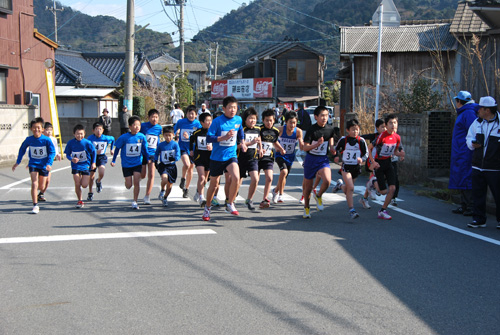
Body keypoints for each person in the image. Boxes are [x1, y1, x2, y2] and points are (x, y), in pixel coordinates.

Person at [202, 96, 246, 221]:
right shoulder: (217, 121)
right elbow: (209, 138)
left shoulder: (238, 119)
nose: (233, 110)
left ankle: (230, 203)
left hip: (231, 155)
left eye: (235, 107)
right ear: (224, 108)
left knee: (236, 177)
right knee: (214, 185)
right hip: (217, 157)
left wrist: (242, 142)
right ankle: (208, 207)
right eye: (230, 107)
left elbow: (240, 130)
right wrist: (223, 138)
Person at [465, 96, 500, 229]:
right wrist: (472, 144)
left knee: (498, 194)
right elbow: (468, 138)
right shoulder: (477, 122)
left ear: (488, 110)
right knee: (478, 193)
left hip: (495, 167)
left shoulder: (499, 123)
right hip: (477, 165)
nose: (478, 110)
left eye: (480, 108)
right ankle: (479, 219)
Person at [12, 117, 56, 214]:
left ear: (42, 129)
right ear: (31, 129)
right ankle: (35, 205)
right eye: (34, 128)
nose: (36, 130)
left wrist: (49, 163)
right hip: (33, 164)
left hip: (44, 165)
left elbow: (52, 152)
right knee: (34, 184)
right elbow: (22, 149)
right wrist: (17, 162)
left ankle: (40, 193)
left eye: (38, 128)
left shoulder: (46, 140)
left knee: (41, 186)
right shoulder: (29, 139)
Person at [368, 114, 405, 220]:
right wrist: (373, 162)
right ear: (386, 125)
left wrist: (401, 155)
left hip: (388, 163)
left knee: (392, 188)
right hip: (379, 164)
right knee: (382, 191)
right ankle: (372, 183)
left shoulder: (397, 137)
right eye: (390, 123)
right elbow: (370, 148)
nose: (393, 125)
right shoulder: (382, 137)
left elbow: (395, 152)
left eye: (395, 123)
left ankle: (383, 210)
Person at [302, 106, 336, 219]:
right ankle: (307, 208)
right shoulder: (312, 130)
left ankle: (319, 195)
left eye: (326, 115)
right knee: (308, 188)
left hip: (323, 159)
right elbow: (304, 147)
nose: (324, 118)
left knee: (327, 180)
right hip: (311, 159)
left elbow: (330, 137)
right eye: (322, 115)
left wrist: (332, 147)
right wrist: (316, 145)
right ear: (316, 117)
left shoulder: (330, 129)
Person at [450, 91, 478, 216]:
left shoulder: (468, 113)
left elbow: (474, 132)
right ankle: (464, 205)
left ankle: (470, 205)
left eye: (457, 101)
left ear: (460, 102)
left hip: (465, 150)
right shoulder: (466, 112)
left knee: (466, 176)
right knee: (461, 175)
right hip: (461, 150)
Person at [111, 115, 149, 210]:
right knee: (129, 185)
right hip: (126, 164)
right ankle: (127, 182)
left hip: (137, 163)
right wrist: (114, 160)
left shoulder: (142, 137)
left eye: (139, 125)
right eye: (135, 125)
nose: (137, 127)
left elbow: (144, 149)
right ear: (130, 126)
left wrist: (147, 158)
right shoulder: (124, 137)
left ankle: (135, 201)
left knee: (137, 181)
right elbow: (117, 149)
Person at [333, 119, 368, 219]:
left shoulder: (361, 141)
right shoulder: (344, 140)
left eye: (357, 130)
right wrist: (336, 156)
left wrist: (362, 159)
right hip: (346, 167)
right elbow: (336, 149)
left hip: (356, 168)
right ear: (348, 130)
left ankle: (340, 186)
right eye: (353, 130)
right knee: (351, 188)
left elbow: (366, 153)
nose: (355, 132)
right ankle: (352, 210)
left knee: (348, 189)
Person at [272, 111, 303, 203]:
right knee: (284, 171)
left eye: (294, 122)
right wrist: (279, 148)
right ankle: (281, 195)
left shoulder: (298, 131)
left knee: (284, 175)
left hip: (290, 156)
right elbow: (273, 140)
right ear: (286, 122)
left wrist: (302, 144)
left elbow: (301, 143)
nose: (292, 125)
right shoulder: (280, 129)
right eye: (290, 122)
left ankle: (275, 190)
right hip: (280, 155)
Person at [64, 124, 97, 208]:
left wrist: (93, 163)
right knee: (77, 183)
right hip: (75, 166)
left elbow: (94, 152)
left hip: (85, 165)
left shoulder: (87, 143)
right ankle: (80, 200)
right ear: (74, 134)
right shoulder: (70, 143)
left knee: (84, 185)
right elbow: (67, 154)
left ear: (84, 134)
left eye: (81, 133)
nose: (79, 135)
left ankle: (84, 182)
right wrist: (71, 159)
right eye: (77, 134)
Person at [257, 109, 285, 209]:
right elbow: (256, 141)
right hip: (257, 157)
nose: (269, 122)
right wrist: (259, 149)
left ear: (274, 120)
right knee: (256, 179)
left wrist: (281, 149)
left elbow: (275, 141)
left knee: (269, 178)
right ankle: (250, 198)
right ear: (263, 120)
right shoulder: (259, 129)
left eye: (271, 120)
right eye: (267, 120)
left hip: (269, 157)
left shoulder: (276, 131)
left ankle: (265, 198)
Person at [174, 105, 202, 198]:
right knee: (187, 164)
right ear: (186, 114)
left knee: (191, 168)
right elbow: (174, 131)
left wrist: (189, 138)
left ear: (196, 115)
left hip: (193, 149)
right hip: (183, 147)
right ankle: (183, 178)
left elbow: (199, 136)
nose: (191, 116)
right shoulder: (181, 122)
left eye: (193, 114)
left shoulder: (198, 124)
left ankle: (186, 188)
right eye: (189, 113)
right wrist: (174, 135)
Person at [357, 119, 386, 208]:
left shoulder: (387, 137)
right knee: (374, 177)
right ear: (377, 128)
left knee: (376, 177)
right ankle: (374, 189)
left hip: (381, 160)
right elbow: (361, 137)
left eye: (385, 127)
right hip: (372, 160)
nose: (384, 129)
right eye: (382, 127)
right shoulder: (374, 136)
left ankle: (364, 198)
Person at [238, 108, 261, 210]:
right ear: (245, 119)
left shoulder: (258, 129)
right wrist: (249, 143)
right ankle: (231, 198)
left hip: (253, 158)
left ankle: (249, 199)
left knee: (255, 178)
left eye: (254, 119)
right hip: (240, 158)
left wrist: (261, 149)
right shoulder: (241, 130)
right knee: (237, 181)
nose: (253, 121)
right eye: (250, 118)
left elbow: (259, 140)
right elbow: (237, 145)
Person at [87, 122, 115, 200]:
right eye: (96, 129)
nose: (98, 131)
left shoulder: (106, 138)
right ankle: (90, 192)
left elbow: (113, 139)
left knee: (102, 172)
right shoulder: (90, 138)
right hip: (93, 158)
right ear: (93, 130)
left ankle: (98, 181)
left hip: (101, 157)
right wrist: (94, 152)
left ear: (103, 130)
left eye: (100, 129)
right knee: (91, 176)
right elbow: (87, 149)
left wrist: (112, 149)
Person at [190, 112, 213, 207]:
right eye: (207, 121)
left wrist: (212, 147)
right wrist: (191, 150)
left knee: (206, 179)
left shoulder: (213, 133)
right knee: (202, 177)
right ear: (202, 122)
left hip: (209, 158)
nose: (209, 122)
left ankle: (198, 190)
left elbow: (217, 143)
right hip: (199, 157)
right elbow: (191, 140)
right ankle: (201, 197)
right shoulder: (197, 133)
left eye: (210, 120)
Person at [154, 126, 181, 207]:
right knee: (164, 179)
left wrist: (175, 158)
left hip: (172, 166)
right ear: (163, 135)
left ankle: (165, 197)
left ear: (173, 135)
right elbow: (156, 153)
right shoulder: (161, 145)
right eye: (166, 135)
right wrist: (155, 161)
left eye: (170, 135)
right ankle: (162, 189)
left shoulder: (175, 144)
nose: (168, 137)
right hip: (163, 165)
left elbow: (178, 155)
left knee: (169, 186)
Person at [140, 109, 163, 204]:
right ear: (148, 117)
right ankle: (138, 177)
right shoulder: (143, 126)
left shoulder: (159, 128)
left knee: (152, 174)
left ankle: (147, 196)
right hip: (142, 153)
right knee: (143, 175)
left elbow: (158, 139)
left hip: (153, 153)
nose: (154, 119)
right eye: (153, 117)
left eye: (156, 117)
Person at [37, 122, 61, 202]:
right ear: (43, 130)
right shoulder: (40, 138)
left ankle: (41, 193)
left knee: (47, 180)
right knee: (41, 179)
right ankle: (38, 188)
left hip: (49, 161)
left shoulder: (53, 139)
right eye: (47, 130)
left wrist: (57, 154)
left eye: (51, 130)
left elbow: (55, 147)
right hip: (40, 161)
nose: (49, 132)